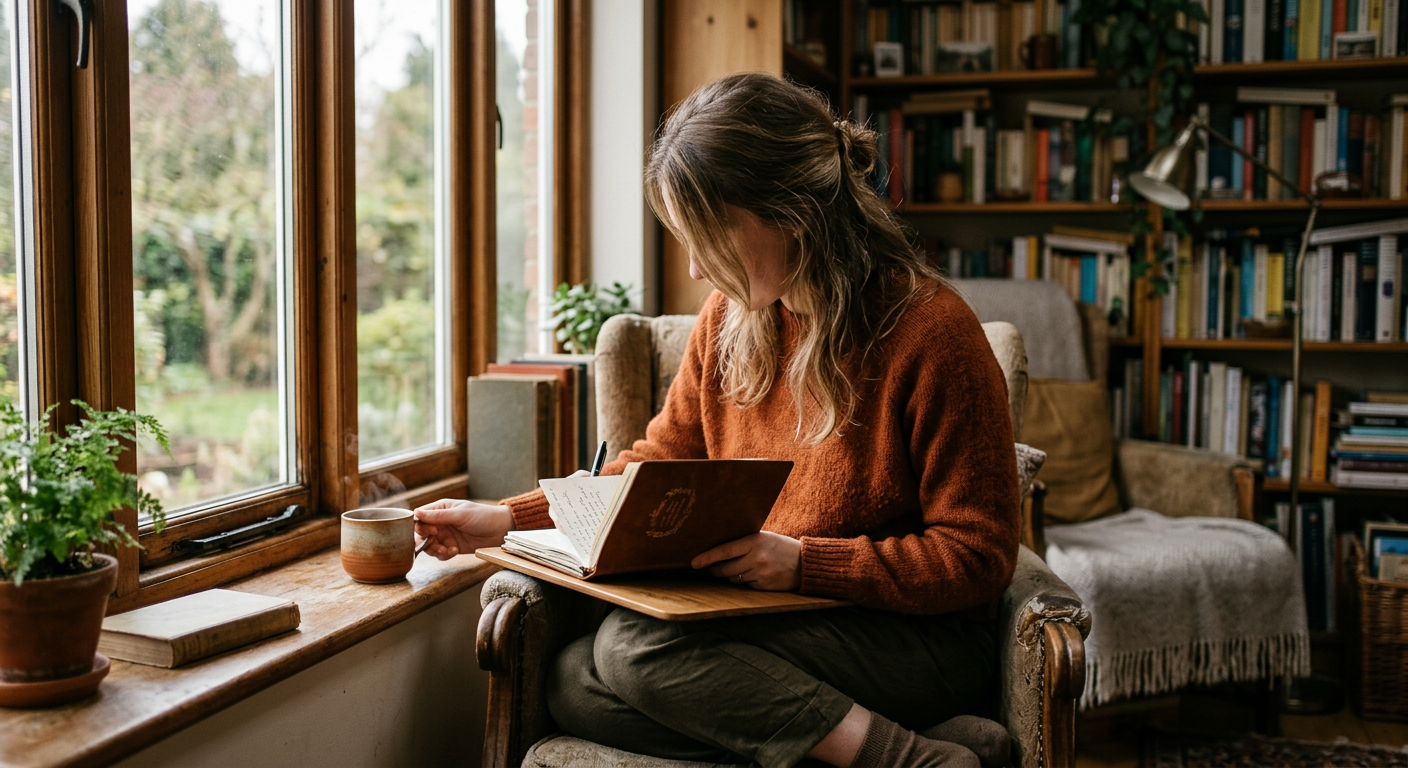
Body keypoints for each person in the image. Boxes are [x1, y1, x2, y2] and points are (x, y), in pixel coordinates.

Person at [414, 72, 1021, 768]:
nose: (698, 269)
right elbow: (651, 471)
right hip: (773, 625)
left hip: (912, 637)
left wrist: (805, 564)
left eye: (709, 238)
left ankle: (906, 762)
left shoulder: (933, 332)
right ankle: (917, 746)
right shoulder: (732, 319)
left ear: (792, 214)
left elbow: (978, 559)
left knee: (634, 652)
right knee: (574, 680)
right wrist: (506, 519)